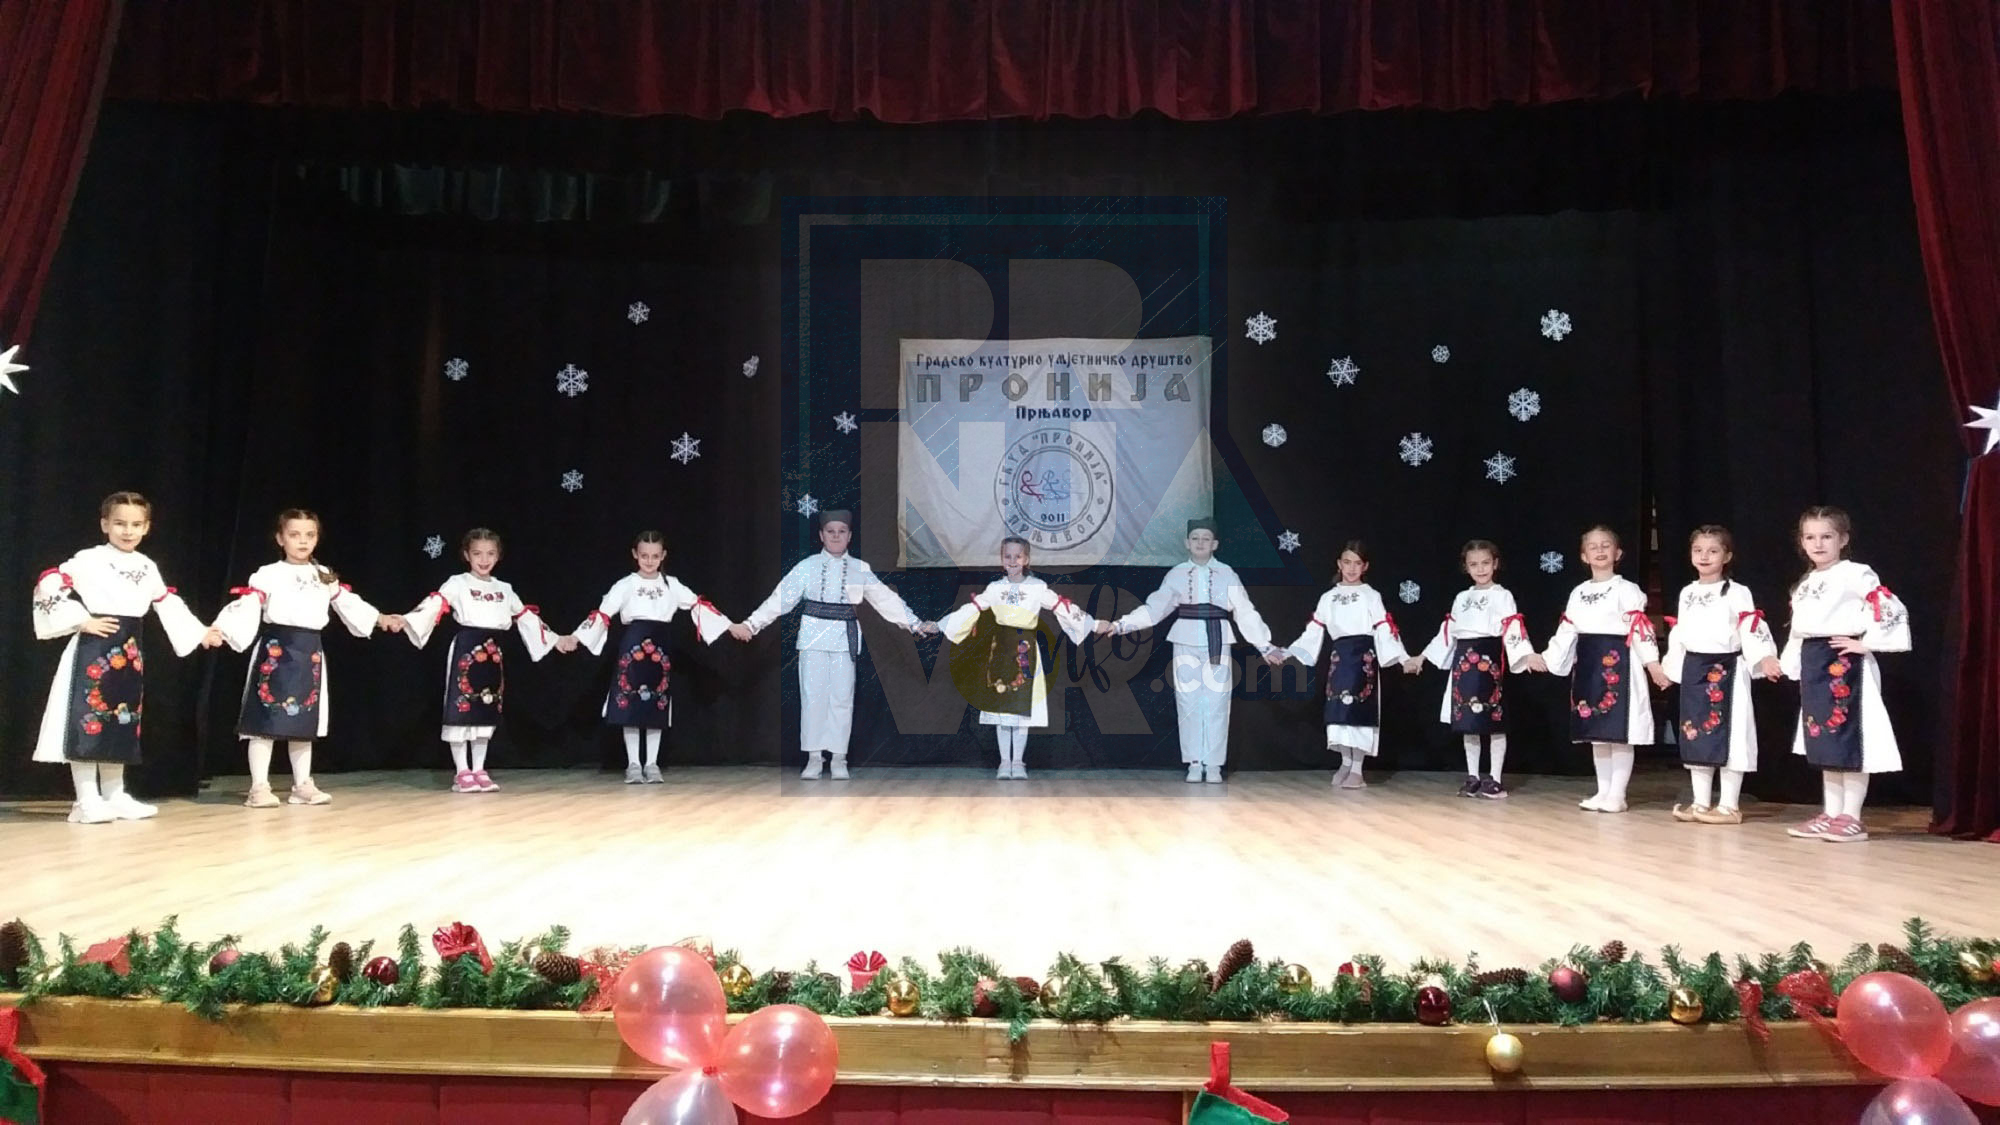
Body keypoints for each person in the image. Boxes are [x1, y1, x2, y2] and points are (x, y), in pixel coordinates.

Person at [31, 491, 220, 823]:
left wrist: (199, 632)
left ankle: (114, 794)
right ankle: (86, 800)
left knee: (120, 720)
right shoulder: (89, 559)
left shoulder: (146, 566)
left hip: (129, 654)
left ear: (146, 527)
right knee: (88, 720)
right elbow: (49, 583)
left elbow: (164, 601)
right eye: (120, 523)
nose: (128, 531)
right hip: (94, 652)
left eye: (135, 525)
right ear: (105, 524)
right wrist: (81, 620)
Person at [212, 508, 403, 808]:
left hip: (309, 653)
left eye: (309, 535)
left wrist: (379, 618)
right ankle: (259, 787)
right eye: (294, 535)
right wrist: (222, 629)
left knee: (304, 721)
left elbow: (347, 603)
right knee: (264, 720)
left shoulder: (323, 575)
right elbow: (248, 604)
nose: (302, 541)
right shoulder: (268, 574)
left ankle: (302, 784)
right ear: (280, 538)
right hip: (277, 651)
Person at [729, 509, 933, 780]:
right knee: (813, 698)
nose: (836, 536)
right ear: (821, 535)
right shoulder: (807, 566)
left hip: (844, 640)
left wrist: (915, 623)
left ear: (849, 536)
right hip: (812, 637)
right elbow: (780, 599)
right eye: (830, 532)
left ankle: (839, 758)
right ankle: (814, 758)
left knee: (841, 699)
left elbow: (885, 600)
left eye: (841, 532)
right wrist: (751, 624)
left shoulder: (860, 569)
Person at [1094, 518, 1279, 783]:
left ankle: (1213, 764)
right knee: (1188, 701)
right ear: (1187, 543)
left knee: (1217, 702)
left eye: (1206, 539)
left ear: (1215, 544)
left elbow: (1245, 611)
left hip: (1217, 640)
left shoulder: (1227, 573)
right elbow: (1155, 608)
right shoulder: (1177, 574)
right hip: (1185, 639)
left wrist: (1264, 645)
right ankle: (1194, 762)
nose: (1200, 543)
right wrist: (1122, 625)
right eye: (1195, 538)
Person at [1778, 505, 1910, 843]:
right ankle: (1831, 812)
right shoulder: (1806, 582)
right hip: (1815, 662)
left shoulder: (1855, 573)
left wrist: (1867, 643)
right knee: (1825, 739)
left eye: (1826, 536)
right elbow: (1800, 629)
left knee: (1848, 736)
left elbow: (1886, 605)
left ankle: (1851, 815)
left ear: (1843, 539)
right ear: (1801, 542)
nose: (1818, 544)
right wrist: (1790, 663)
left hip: (1844, 664)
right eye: (1810, 537)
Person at [400, 528, 562, 793]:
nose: (484, 559)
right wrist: (408, 620)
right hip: (467, 648)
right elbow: (434, 604)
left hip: (492, 653)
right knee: (461, 708)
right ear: (467, 555)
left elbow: (526, 617)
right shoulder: (457, 583)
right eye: (477, 553)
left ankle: (479, 769)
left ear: (498, 556)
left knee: (485, 709)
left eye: (490, 554)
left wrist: (555, 640)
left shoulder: (504, 589)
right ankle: (462, 771)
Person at [569, 531, 732, 783]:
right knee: (630, 704)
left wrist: (730, 626)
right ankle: (634, 764)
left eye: (655, 556)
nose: (649, 561)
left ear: (663, 556)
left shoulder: (671, 585)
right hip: (633, 648)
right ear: (635, 555)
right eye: (644, 555)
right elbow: (603, 614)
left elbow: (698, 606)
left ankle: (652, 763)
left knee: (656, 704)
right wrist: (576, 638)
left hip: (660, 648)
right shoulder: (625, 585)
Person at [936, 537, 1098, 779]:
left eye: (1018, 556)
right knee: (1002, 710)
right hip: (1001, 651)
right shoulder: (995, 589)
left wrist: (1092, 624)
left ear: (1027, 559)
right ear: (1002, 560)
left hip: (1025, 650)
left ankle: (1018, 762)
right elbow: (971, 609)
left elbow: (1061, 606)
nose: (1012, 561)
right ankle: (1004, 762)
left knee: (1021, 710)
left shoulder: (1037, 587)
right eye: (1008, 556)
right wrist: (940, 625)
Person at [1654, 525, 1780, 825]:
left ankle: (1729, 805)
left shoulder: (1737, 592)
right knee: (1696, 733)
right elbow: (1680, 634)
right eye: (1698, 550)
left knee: (1732, 734)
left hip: (1727, 670)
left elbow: (1750, 625)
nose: (1704, 556)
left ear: (1727, 556)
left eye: (1713, 551)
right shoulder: (1687, 593)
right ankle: (1700, 802)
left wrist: (1764, 657)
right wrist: (1669, 669)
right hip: (1695, 671)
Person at [1535, 525, 1660, 813]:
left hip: (1617, 662)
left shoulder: (1627, 590)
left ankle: (1618, 794)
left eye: (1606, 545)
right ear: (1584, 556)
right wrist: (1547, 658)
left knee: (1619, 731)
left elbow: (1639, 629)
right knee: (1596, 731)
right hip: (1589, 665)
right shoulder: (1578, 592)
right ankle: (1603, 791)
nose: (1600, 550)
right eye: (1593, 546)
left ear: (1618, 553)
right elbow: (1568, 630)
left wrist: (1652, 664)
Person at [1268, 540, 1407, 789]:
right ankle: (1345, 761)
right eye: (1347, 562)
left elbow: (1384, 627)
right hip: (1340, 658)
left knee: (1358, 710)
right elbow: (1313, 631)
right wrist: (1288, 652)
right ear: (1339, 564)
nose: (1351, 568)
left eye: (1357, 563)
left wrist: (1403, 658)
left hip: (1363, 658)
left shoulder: (1370, 595)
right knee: (1338, 712)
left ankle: (1357, 769)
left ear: (1365, 566)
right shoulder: (1328, 597)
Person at [1403, 539, 1535, 798]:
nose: (1480, 569)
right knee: (1469, 721)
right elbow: (1447, 633)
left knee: (1494, 720)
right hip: (1464, 664)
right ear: (1466, 567)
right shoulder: (1461, 598)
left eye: (1485, 563)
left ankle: (1495, 778)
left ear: (1495, 564)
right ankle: (1473, 776)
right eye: (1474, 564)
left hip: (1488, 663)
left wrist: (1526, 654)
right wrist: (1422, 657)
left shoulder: (1502, 595)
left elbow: (1513, 627)